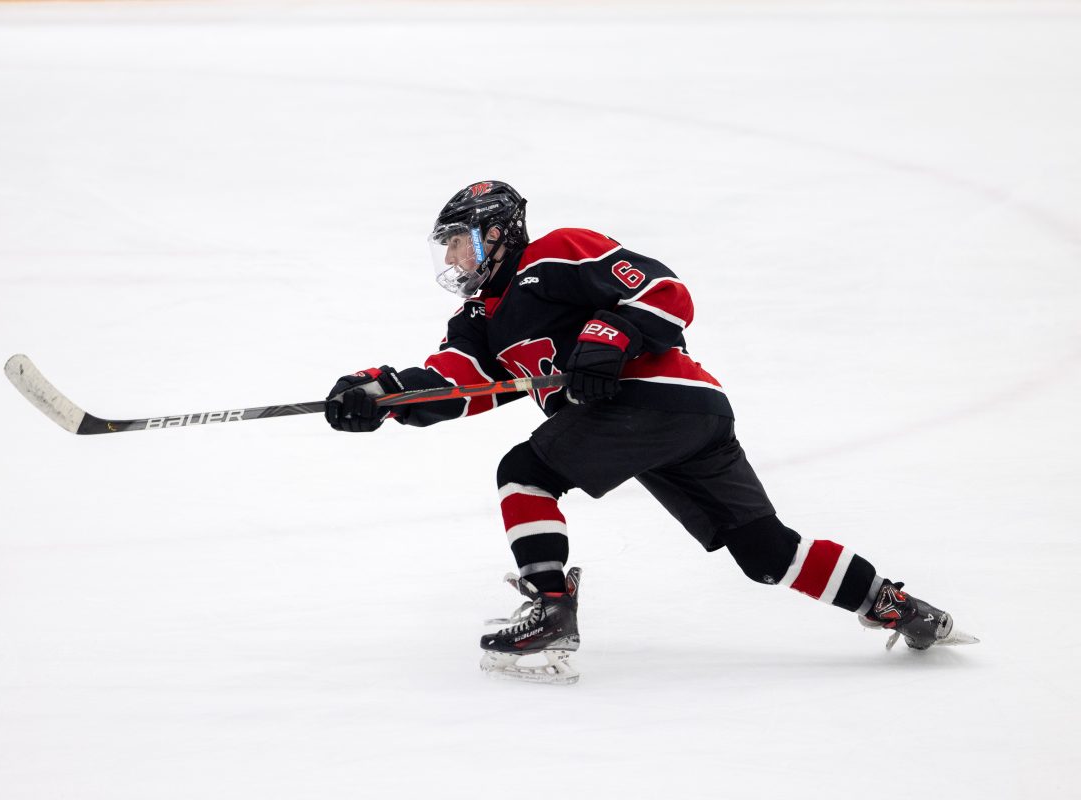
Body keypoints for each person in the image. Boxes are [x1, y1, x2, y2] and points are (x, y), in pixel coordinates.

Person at [324, 180, 977, 685]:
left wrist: (608, 341)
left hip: (659, 397)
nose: (450, 255)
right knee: (765, 553)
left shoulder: (553, 255)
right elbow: (461, 382)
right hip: (676, 419)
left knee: (526, 471)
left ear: (494, 233)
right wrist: (378, 394)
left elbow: (662, 290)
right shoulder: (479, 320)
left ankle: (551, 609)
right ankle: (896, 605)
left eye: (457, 240)